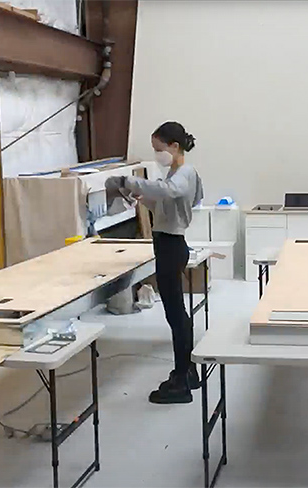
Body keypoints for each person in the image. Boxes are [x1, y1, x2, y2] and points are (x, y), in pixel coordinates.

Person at [104, 121, 204, 404]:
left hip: (171, 246)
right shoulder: (174, 173)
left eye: (159, 149)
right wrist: (140, 198)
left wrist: (128, 182)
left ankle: (181, 381)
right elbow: (165, 206)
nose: (157, 155)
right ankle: (187, 371)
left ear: (174, 146)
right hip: (168, 244)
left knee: (176, 316)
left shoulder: (184, 173)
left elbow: (170, 192)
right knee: (177, 315)